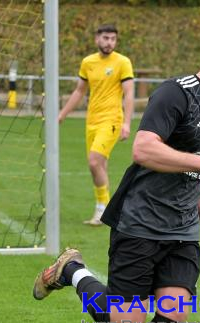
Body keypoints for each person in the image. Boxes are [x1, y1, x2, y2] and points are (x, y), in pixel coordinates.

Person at [33, 21, 200, 323]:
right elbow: (143, 148)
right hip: (141, 224)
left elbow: (194, 175)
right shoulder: (175, 93)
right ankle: (71, 270)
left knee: (173, 315)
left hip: (182, 234)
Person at [58, 24, 135, 225]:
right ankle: (106, 210)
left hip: (111, 120)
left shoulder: (122, 62)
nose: (109, 42)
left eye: (113, 39)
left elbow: (129, 93)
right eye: (105, 38)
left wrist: (126, 123)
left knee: (94, 162)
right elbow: (79, 91)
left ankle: (103, 209)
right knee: (99, 165)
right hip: (91, 121)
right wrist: (62, 114)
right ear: (97, 39)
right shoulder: (88, 62)